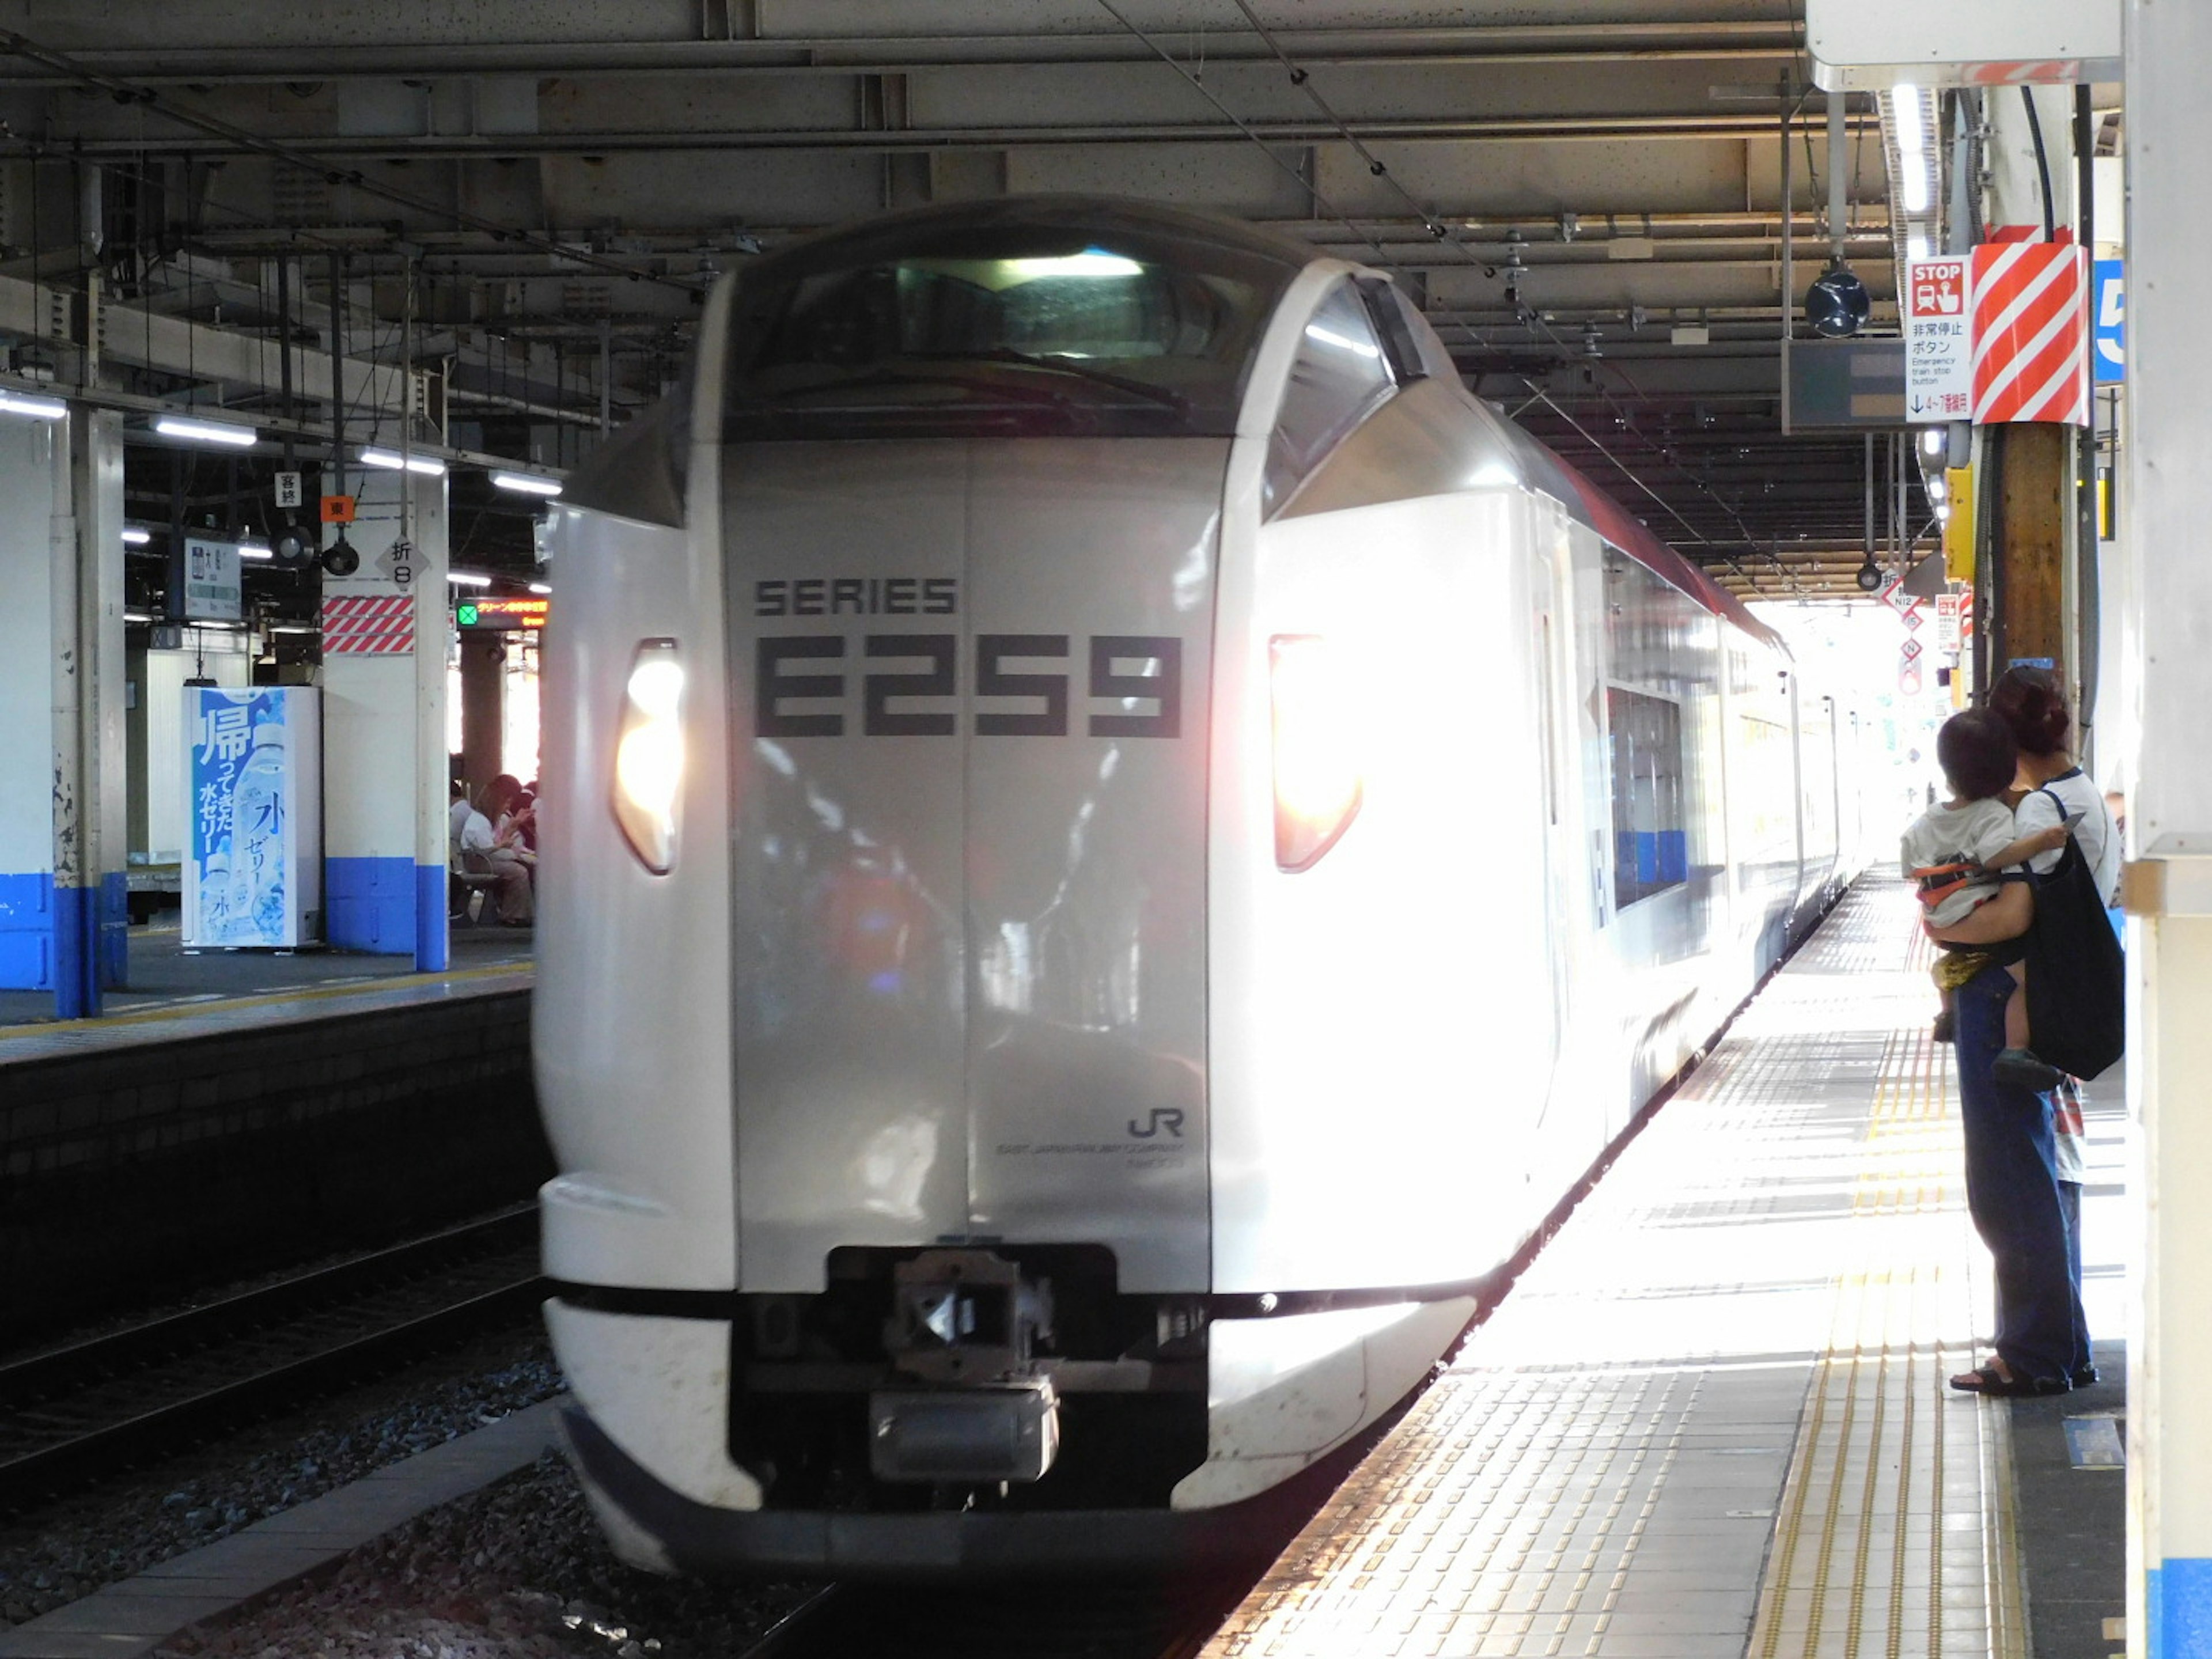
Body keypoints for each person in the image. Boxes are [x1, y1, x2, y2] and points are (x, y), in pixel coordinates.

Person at [1900, 710, 2065, 1092]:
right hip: (1979, 912)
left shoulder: (1929, 819)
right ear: (2007, 770)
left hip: (1941, 915)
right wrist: (2042, 841)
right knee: (2029, 978)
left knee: (1955, 955)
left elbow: (1909, 862)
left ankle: (1945, 1013)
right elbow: (1996, 856)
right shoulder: (1993, 815)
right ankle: (2016, 1049)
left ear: (1947, 770)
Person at [454, 777, 533, 927]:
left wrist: (511, 830)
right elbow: (486, 849)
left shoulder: (485, 820)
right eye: (507, 803)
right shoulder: (479, 821)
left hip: (483, 860)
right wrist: (503, 844)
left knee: (519, 868)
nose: (507, 807)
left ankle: (517, 913)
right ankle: (513, 915)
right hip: (478, 862)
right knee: (518, 871)